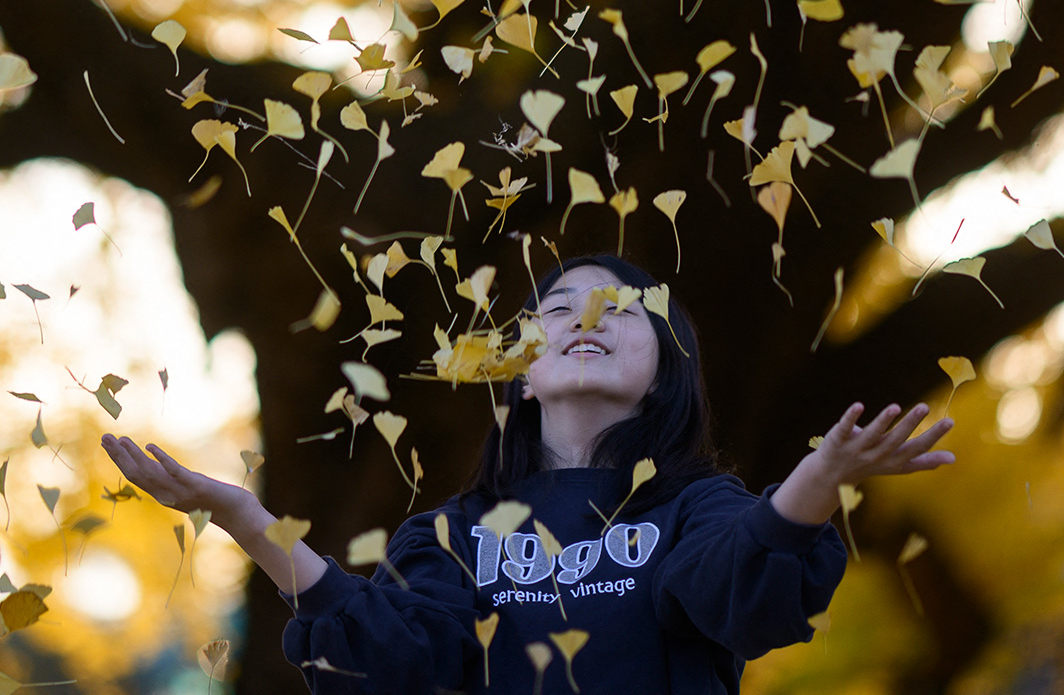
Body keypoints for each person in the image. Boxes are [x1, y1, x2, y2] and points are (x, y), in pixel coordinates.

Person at [102, 254, 954, 694]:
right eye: (558, 308)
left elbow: (739, 594)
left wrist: (812, 482)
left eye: (621, 308)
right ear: (524, 369)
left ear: (665, 367)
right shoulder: (451, 533)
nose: (588, 315)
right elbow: (397, 658)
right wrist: (249, 520)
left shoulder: (696, 505)